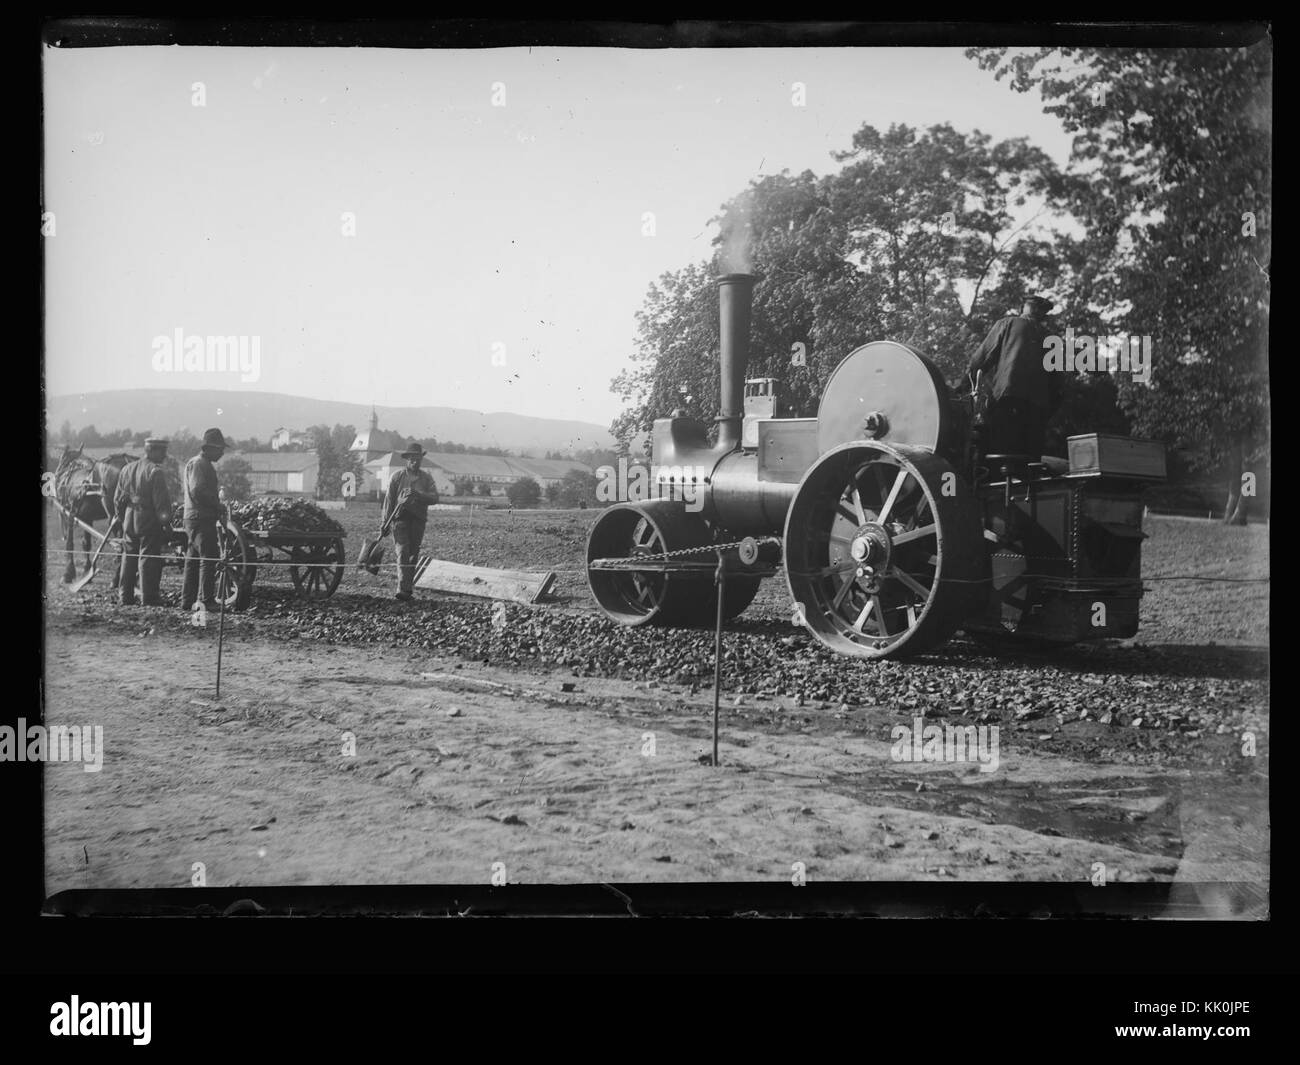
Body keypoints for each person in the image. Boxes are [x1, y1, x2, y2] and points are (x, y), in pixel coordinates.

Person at [967, 294, 1061, 458]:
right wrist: (1045, 411)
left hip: (1008, 400)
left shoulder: (1007, 324)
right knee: (1031, 462)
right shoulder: (1052, 339)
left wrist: (962, 387)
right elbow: (1058, 384)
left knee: (1001, 456)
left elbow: (980, 360)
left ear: (1026, 307)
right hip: (1038, 410)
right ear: (1041, 313)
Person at [113, 438, 172, 606]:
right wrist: (166, 524)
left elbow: (118, 500)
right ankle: (149, 597)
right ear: (151, 451)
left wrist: (121, 517)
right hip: (147, 520)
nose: (165, 455)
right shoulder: (155, 471)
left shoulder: (126, 469)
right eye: (162, 451)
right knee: (148, 558)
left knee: (128, 557)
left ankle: (125, 597)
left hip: (129, 519)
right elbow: (161, 504)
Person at [383, 441, 440, 601]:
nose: (415, 462)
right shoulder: (397, 477)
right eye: (412, 459)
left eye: (418, 459)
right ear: (407, 460)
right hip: (399, 520)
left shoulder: (427, 479)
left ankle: (407, 590)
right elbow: (389, 501)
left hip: (418, 521)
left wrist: (418, 494)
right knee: (402, 552)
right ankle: (402, 589)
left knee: (413, 555)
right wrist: (384, 523)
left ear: (421, 460)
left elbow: (435, 497)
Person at [182, 428, 227, 611]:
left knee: (192, 560)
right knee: (208, 558)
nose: (222, 453)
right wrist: (217, 505)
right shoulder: (200, 464)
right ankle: (206, 600)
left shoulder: (199, 463)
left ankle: (187, 600)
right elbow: (197, 490)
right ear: (209, 448)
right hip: (201, 518)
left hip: (193, 517)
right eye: (220, 449)